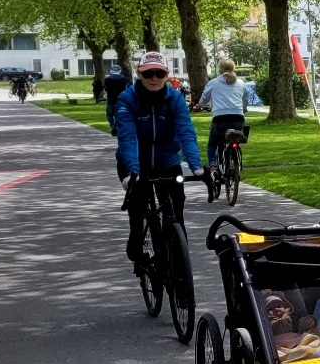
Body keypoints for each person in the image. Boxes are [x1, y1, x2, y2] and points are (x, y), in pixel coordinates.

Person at [114, 52, 202, 269]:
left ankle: (179, 271)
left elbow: (186, 132)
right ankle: (136, 242)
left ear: (167, 75)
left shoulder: (175, 98)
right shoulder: (127, 99)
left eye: (159, 73)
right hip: (136, 163)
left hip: (167, 161)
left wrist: (197, 167)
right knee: (138, 207)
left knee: (176, 215)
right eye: (148, 73)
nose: (154, 78)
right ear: (139, 74)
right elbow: (128, 137)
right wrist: (132, 171)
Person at [196, 58, 249, 194]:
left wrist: (199, 106)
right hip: (238, 118)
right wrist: (243, 109)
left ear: (220, 69)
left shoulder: (213, 83)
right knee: (234, 138)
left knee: (212, 144)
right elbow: (245, 98)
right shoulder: (241, 83)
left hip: (220, 119)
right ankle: (235, 160)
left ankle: (213, 167)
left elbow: (204, 98)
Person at [104, 63, 130, 129]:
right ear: (120, 70)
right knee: (121, 115)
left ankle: (113, 126)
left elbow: (106, 89)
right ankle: (119, 126)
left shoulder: (107, 80)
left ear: (111, 70)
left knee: (109, 115)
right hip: (121, 100)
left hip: (111, 100)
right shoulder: (125, 80)